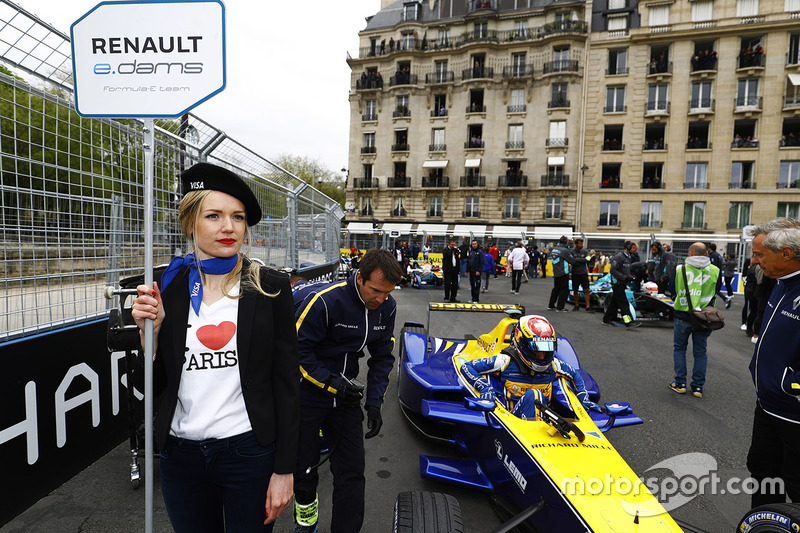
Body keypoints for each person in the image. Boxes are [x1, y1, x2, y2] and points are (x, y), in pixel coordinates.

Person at [130, 162, 299, 532]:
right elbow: (152, 384)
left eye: (238, 217)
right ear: (191, 222)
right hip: (180, 454)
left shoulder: (270, 286)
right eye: (214, 215)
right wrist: (151, 337)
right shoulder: (165, 286)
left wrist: (286, 469)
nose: (229, 227)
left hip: (249, 453)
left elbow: (287, 384)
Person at [292, 248, 403, 533]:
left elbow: (382, 356)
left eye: (388, 292)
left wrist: (375, 403)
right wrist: (333, 384)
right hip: (306, 393)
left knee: (352, 471)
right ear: (360, 278)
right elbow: (297, 353)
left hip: (346, 396)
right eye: (376, 291)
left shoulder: (387, 306)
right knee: (304, 469)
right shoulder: (324, 302)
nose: (381, 299)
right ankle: (306, 523)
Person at [746, 219, 800, 507]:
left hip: (794, 411)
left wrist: (790, 385)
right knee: (763, 472)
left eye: (760, 255)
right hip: (767, 404)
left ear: (786, 254)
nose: (754, 261)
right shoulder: (779, 283)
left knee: (795, 483)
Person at [459, 315, 601, 420]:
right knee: (535, 395)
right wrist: (484, 387)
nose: (541, 356)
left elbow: (575, 374)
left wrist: (583, 396)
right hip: (513, 421)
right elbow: (467, 367)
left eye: (547, 349)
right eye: (536, 349)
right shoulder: (504, 361)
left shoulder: (553, 365)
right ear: (521, 343)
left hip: (547, 422)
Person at [668, 242, 722, 398]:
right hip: (704, 317)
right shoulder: (715, 270)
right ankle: (698, 387)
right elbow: (716, 290)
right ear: (706, 254)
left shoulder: (681, 269)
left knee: (679, 348)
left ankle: (680, 384)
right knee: (700, 352)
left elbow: (671, 290)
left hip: (683, 314)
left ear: (690, 254)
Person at [602, 241, 641, 327]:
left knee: (614, 303)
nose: (635, 250)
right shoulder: (619, 257)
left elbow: (625, 270)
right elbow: (613, 270)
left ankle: (606, 319)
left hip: (622, 283)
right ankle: (628, 322)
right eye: (634, 248)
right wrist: (624, 277)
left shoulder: (628, 257)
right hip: (617, 283)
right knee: (624, 303)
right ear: (628, 247)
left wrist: (631, 277)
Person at [547, 236, 572, 311]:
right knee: (564, 289)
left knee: (556, 289)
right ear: (565, 242)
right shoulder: (565, 250)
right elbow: (572, 261)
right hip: (563, 272)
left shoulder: (555, 249)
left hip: (556, 272)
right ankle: (560, 307)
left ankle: (551, 305)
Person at [569, 238, 594, 311]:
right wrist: (582, 260)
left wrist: (577, 259)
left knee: (586, 289)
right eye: (580, 244)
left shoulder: (585, 251)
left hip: (583, 273)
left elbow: (588, 259)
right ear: (576, 244)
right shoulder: (571, 251)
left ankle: (588, 306)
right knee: (575, 290)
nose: (581, 245)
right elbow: (572, 261)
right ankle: (576, 305)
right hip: (575, 273)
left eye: (582, 244)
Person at [466, 239, 484, 303]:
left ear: (477, 244)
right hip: (471, 271)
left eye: (475, 244)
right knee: (472, 285)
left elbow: (481, 262)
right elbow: (468, 261)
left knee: (477, 285)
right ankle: (473, 298)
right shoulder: (470, 251)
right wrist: (467, 270)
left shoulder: (480, 252)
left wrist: (479, 270)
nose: (474, 245)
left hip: (477, 272)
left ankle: (476, 299)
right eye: (473, 244)